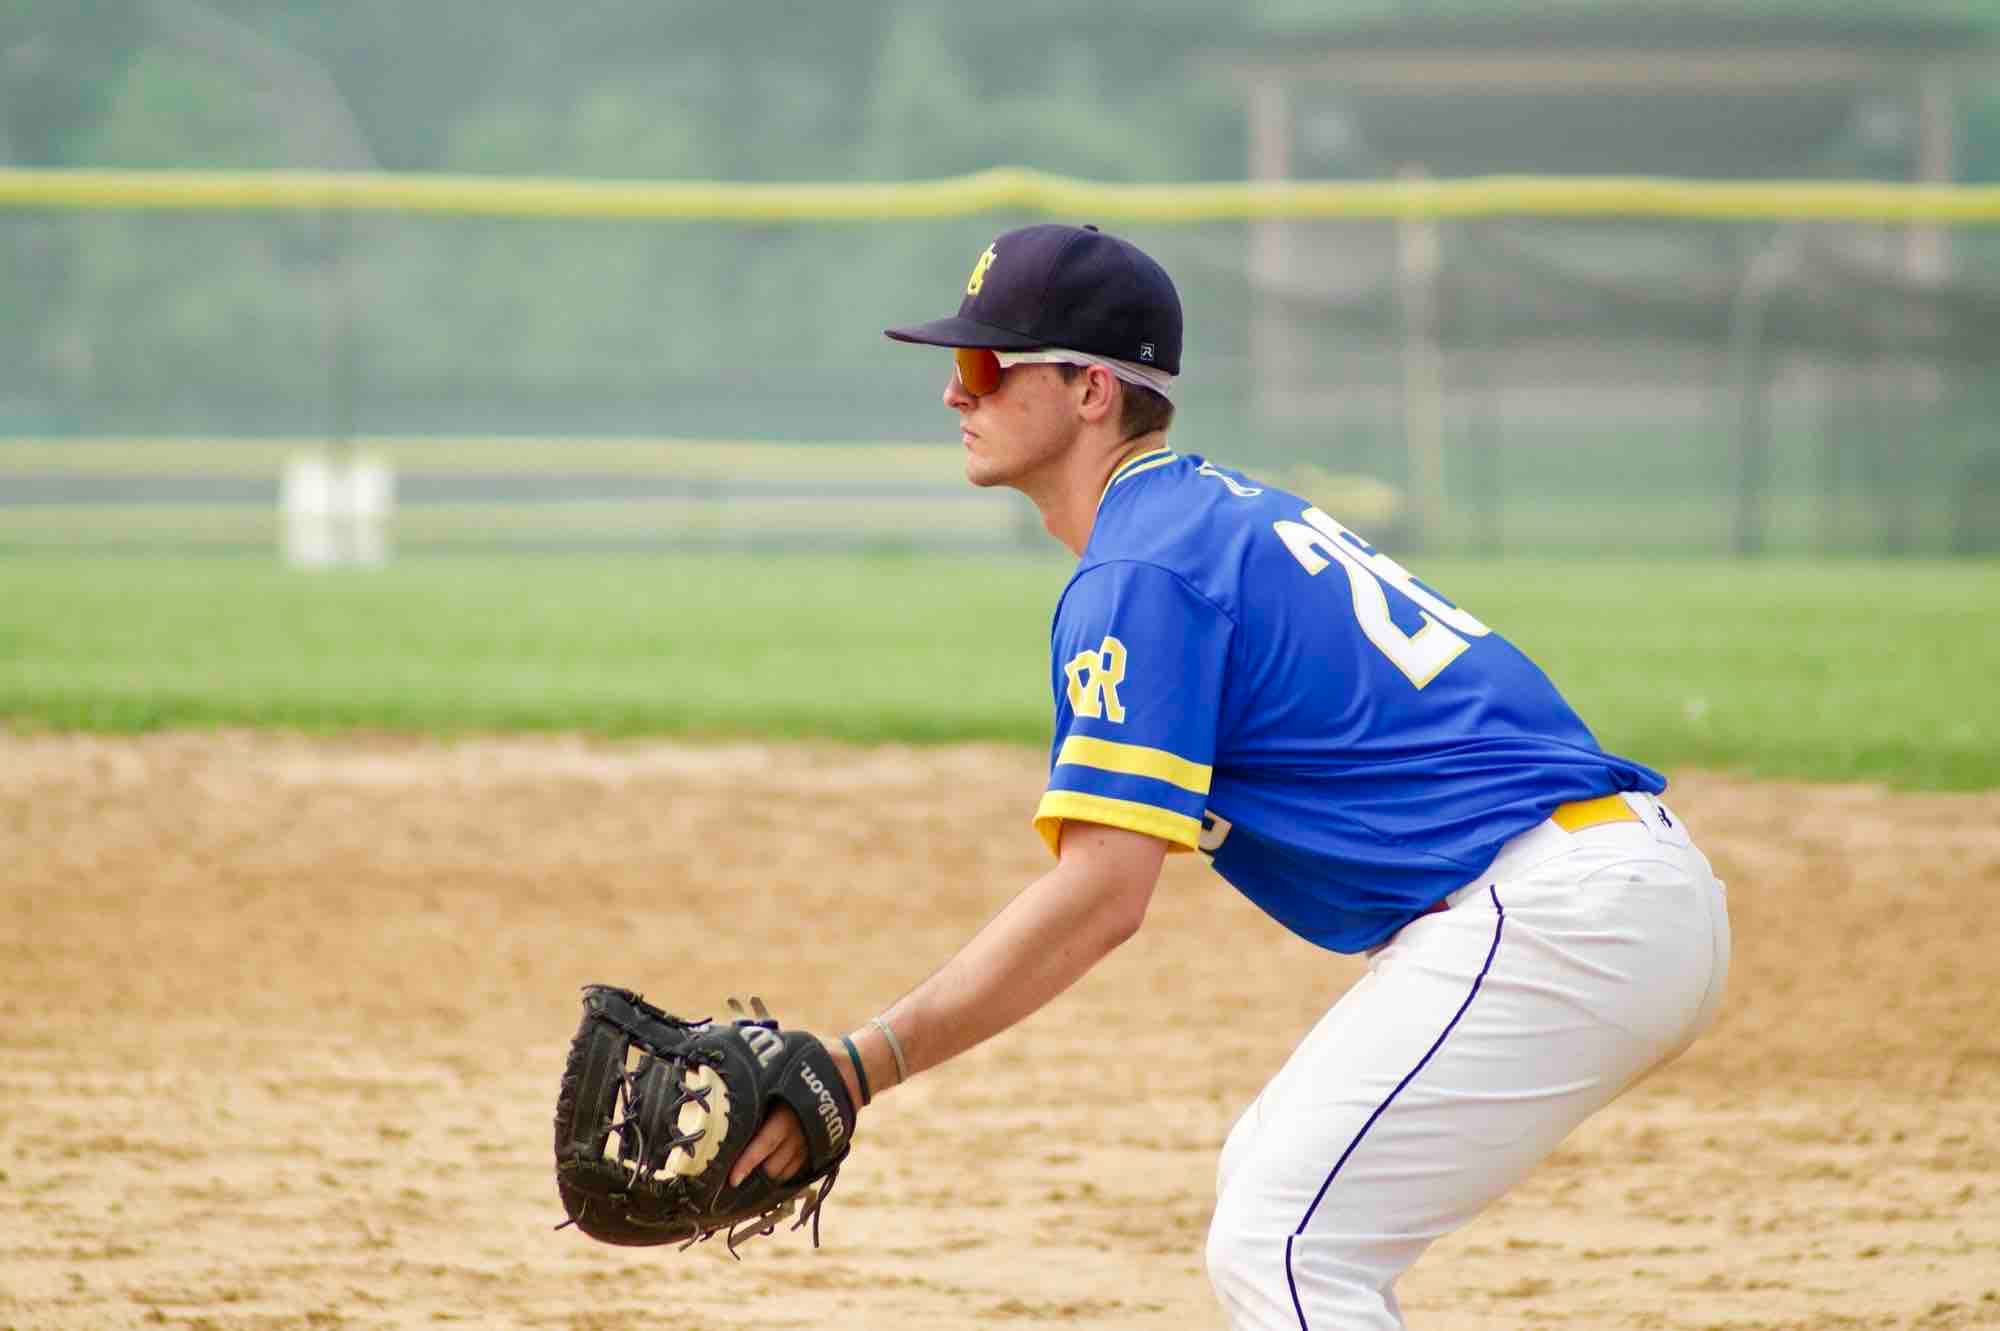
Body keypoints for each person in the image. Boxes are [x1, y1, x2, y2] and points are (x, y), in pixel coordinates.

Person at [729, 223, 1732, 1330]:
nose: (954, 395)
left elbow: (1100, 899)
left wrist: (864, 1061)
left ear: (1088, 390)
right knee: (1269, 1176)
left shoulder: (1140, 569)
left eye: (983, 365)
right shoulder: (1204, 510)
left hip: (1552, 914)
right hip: (1591, 895)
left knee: (1282, 1244)